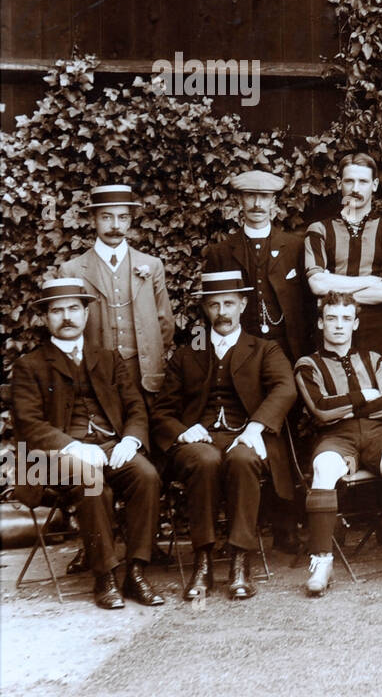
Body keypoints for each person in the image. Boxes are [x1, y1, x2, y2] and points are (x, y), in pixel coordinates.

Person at [11, 278, 164, 609]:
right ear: (45, 318)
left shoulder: (109, 359)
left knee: (146, 476)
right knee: (92, 482)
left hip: (110, 446)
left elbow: (136, 406)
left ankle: (136, 572)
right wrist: (72, 447)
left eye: (73, 309)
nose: (66, 317)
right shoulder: (29, 366)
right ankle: (105, 576)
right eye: (57, 311)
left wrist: (131, 439)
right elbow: (29, 423)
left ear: (85, 314)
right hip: (46, 459)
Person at [151, 271, 298, 600]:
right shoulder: (189, 352)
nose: (223, 312)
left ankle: (239, 560)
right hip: (198, 441)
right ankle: (202, 561)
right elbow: (162, 410)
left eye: (229, 303)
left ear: (243, 304)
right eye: (214, 304)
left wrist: (256, 427)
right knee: (203, 460)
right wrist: (183, 430)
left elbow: (285, 388)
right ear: (205, 308)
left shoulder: (264, 349)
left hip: (247, 435)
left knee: (244, 459)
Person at [294, 292, 382, 595]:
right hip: (337, 436)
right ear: (320, 322)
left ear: (355, 324)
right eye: (331, 318)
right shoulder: (307, 364)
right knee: (324, 467)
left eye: (345, 319)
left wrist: (345, 403)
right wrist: (365, 395)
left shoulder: (373, 359)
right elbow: (322, 410)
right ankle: (322, 561)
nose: (338, 325)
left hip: (379, 433)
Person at [303, 152, 382, 386]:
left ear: (374, 185)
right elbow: (317, 284)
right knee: (333, 392)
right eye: (349, 181)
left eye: (363, 181)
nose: (355, 188)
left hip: (377, 328)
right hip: (333, 326)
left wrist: (334, 286)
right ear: (339, 184)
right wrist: (373, 280)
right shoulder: (319, 230)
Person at [60, 183, 175, 396]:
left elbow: (165, 322)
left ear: (130, 220)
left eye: (122, 217)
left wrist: (152, 357)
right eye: (106, 217)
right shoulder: (72, 270)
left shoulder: (151, 265)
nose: (115, 225)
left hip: (144, 373)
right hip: (94, 375)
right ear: (93, 219)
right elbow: (68, 328)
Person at [204, 169, 314, 364]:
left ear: (273, 202)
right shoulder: (220, 252)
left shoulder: (294, 247)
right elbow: (210, 309)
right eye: (250, 196)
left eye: (264, 197)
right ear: (240, 200)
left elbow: (308, 305)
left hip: (288, 350)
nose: (257, 204)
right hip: (239, 352)